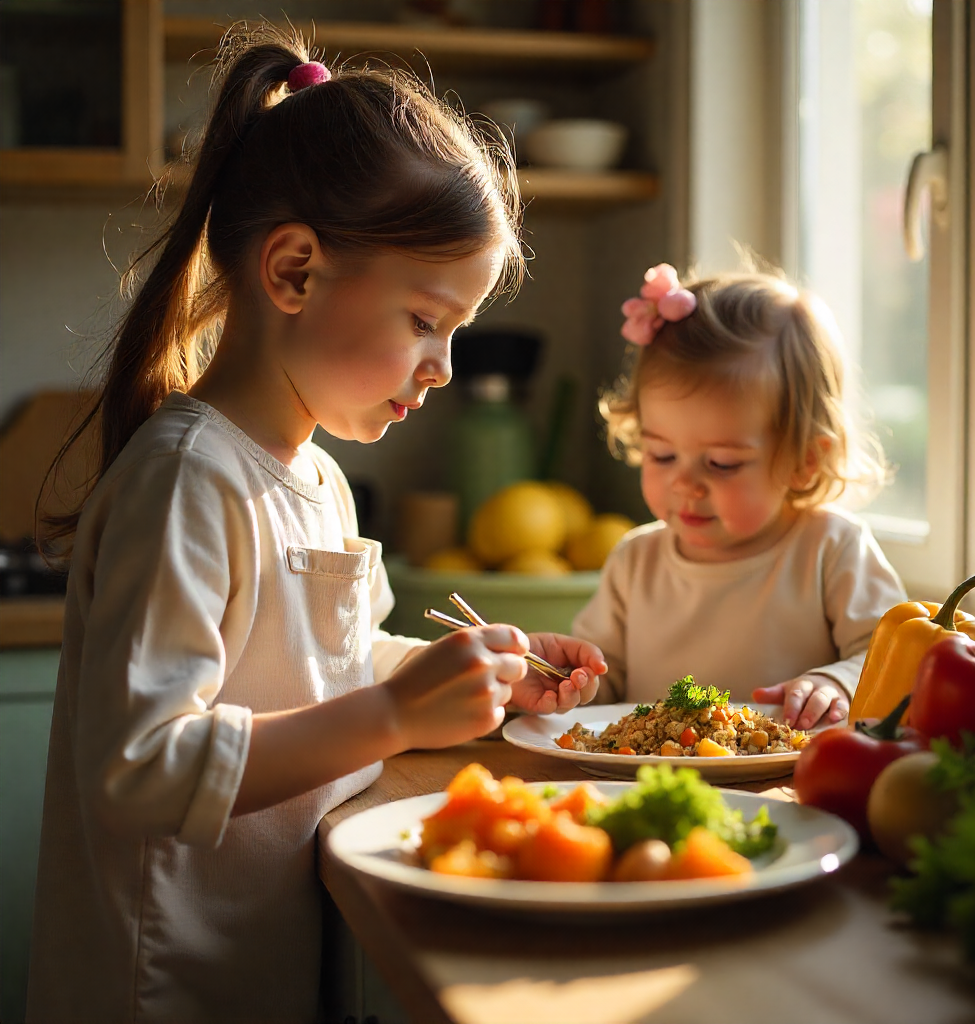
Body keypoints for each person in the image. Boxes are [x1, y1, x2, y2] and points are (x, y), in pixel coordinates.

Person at [27, 28, 605, 1024]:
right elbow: (140, 767)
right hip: (159, 986)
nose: (444, 368)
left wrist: (471, 676)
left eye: (454, 332)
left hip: (262, 962)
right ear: (294, 271)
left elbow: (322, 667)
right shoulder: (187, 478)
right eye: (424, 321)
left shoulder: (319, 476)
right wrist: (393, 717)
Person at [572, 263, 905, 728]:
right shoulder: (635, 560)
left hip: (791, 770)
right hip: (648, 768)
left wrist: (838, 682)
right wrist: (564, 681)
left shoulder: (831, 548)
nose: (685, 484)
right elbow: (600, 680)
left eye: (721, 463)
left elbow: (895, 658)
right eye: (662, 455)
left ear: (805, 459)